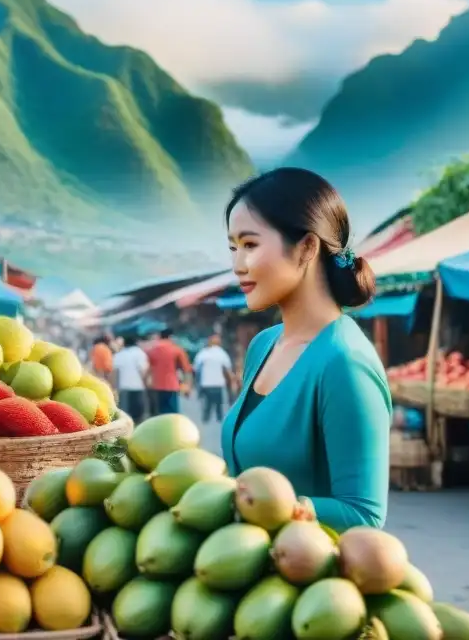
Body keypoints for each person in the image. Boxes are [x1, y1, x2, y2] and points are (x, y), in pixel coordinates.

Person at [220, 168, 392, 532]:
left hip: (307, 578)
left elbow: (364, 515)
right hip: (240, 569)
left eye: (250, 245)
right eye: (233, 248)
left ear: (307, 248)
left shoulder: (344, 363)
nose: (237, 265)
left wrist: (252, 505)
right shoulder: (263, 345)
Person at [145, 327, 192, 416]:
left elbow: (148, 369)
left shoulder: (152, 350)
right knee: (173, 415)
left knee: (160, 414)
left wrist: (146, 383)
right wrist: (187, 386)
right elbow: (186, 369)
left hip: (156, 386)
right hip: (172, 386)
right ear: (171, 337)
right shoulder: (177, 349)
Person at [194, 333, 234, 423]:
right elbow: (228, 369)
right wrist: (231, 382)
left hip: (206, 384)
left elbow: (196, 368)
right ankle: (219, 419)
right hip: (218, 384)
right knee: (219, 404)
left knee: (207, 404)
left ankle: (205, 419)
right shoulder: (222, 353)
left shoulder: (203, 353)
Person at [112, 334, 150, 423]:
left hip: (124, 388)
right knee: (138, 415)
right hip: (138, 388)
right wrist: (146, 384)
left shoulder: (119, 354)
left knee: (125, 415)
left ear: (124, 343)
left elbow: (115, 373)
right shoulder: (140, 353)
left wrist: (114, 388)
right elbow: (143, 371)